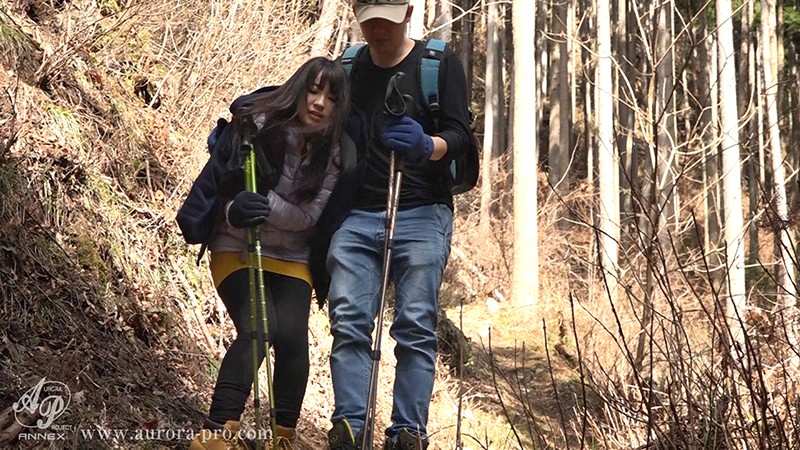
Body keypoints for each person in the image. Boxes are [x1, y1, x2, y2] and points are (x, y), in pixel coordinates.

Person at [177, 56, 350, 450]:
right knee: (259, 326)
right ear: (299, 89)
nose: (319, 102)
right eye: (314, 90)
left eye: (331, 97)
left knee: (292, 339)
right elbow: (219, 188)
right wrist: (234, 210)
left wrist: (266, 204)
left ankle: (281, 437)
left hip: (291, 257)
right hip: (237, 245)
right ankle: (217, 432)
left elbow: (309, 216)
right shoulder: (255, 127)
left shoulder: (335, 153)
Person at [322, 1, 472, 449]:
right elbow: (319, 128)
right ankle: (350, 427)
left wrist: (428, 145)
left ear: (407, 12)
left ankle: (408, 432)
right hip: (357, 213)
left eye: (386, 20)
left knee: (415, 326)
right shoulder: (348, 68)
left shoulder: (438, 64)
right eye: (370, 20)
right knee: (349, 321)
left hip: (423, 211)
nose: (378, 29)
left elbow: (461, 136)